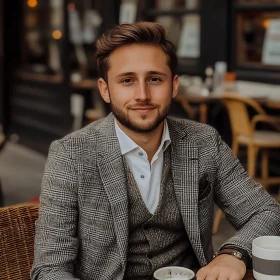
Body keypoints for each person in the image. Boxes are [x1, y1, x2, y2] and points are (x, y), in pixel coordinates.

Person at [31, 22, 280, 280]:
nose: (142, 94)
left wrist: (233, 253)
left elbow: (267, 212)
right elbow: (49, 268)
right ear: (105, 90)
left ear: (173, 86)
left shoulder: (204, 142)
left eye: (154, 79)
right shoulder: (70, 154)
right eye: (127, 80)